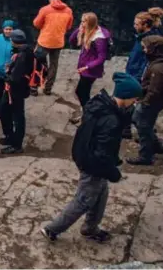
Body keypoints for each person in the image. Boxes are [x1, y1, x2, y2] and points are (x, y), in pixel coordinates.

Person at [41, 72, 142, 243]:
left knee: (100, 193)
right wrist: (113, 173)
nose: (135, 102)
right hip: (93, 164)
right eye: (134, 98)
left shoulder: (99, 104)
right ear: (125, 96)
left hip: (85, 155)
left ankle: (90, 227)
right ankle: (52, 229)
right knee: (84, 200)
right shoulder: (111, 121)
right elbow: (101, 155)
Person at [127, 36, 163, 165]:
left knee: (143, 126)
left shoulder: (158, 68)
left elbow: (155, 90)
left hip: (151, 103)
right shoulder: (155, 63)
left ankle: (146, 156)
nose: (143, 50)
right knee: (141, 122)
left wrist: (144, 102)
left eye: (145, 47)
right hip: (149, 100)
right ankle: (156, 145)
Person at [0, 30, 34, 154]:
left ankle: (16, 145)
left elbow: (16, 77)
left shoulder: (22, 56)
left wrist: (6, 76)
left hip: (16, 89)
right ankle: (10, 137)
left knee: (18, 116)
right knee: (4, 109)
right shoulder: (26, 51)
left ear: (14, 41)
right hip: (17, 88)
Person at [33, 0, 73, 95]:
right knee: (54, 65)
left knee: (37, 63)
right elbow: (69, 26)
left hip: (44, 41)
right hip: (58, 42)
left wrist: (45, 27)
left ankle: (34, 88)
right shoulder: (68, 10)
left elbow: (36, 24)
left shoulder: (45, 9)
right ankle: (48, 89)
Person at [69, 13, 111, 113]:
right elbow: (72, 40)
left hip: (90, 71)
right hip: (85, 68)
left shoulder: (99, 38)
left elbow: (101, 58)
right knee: (83, 92)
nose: (82, 23)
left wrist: (87, 67)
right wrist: (79, 30)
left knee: (81, 92)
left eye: (84, 21)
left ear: (90, 23)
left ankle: (88, 113)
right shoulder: (88, 31)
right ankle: (87, 113)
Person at [126, 11, 161, 82]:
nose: (134, 26)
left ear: (145, 25)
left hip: (137, 78)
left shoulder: (151, 41)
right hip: (131, 74)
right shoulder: (140, 37)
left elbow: (146, 62)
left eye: (137, 24)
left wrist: (138, 78)